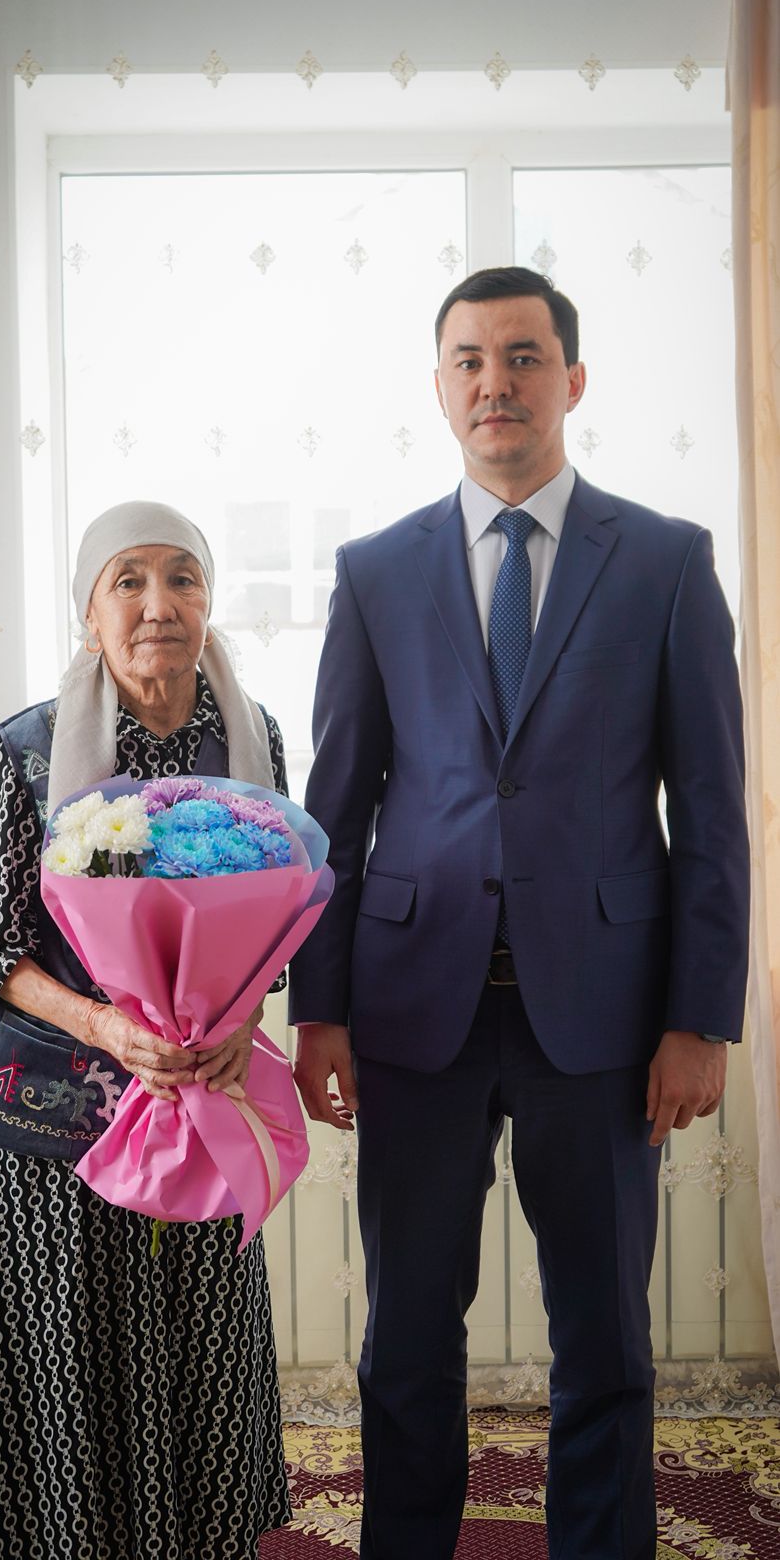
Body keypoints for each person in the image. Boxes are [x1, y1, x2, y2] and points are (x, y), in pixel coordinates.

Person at [290, 266, 749, 1560]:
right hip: (411, 1013)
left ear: (573, 380)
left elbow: (712, 809)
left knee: (604, 1339)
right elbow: (337, 810)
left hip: (603, 1020)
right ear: (441, 389)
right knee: (405, 1340)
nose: (497, 382)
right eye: (471, 361)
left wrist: (702, 1018)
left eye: (525, 357)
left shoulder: (665, 562)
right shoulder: (375, 572)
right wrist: (318, 1009)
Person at [0, 501, 291, 1560]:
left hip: (196, 1099)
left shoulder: (253, 739)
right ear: (89, 614)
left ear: (209, 601)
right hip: (62, 1119)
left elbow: (281, 921)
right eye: (127, 581)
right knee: (68, 1353)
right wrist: (103, 1021)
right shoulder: (33, 746)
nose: (158, 604)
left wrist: (241, 1016)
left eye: (183, 577)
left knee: (201, 1339)